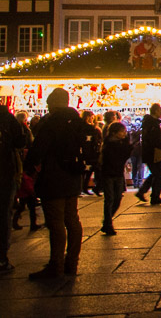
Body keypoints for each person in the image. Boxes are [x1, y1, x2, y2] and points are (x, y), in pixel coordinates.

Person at [24, 88, 87, 279]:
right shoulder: (77, 121)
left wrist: (29, 169)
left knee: (56, 222)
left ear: (52, 103)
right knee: (72, 220)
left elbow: (38, 150)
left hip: (53, 177)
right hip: (73, 176)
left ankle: (56, 264)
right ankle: (72, 261)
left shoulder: (50, 123)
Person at [0, 100, 27, 274]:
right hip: (3, 172)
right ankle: (1, 258)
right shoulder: (6, 117)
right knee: (2, 214)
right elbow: (20, 141)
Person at [98, 121, 134, 235]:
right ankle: (108, 223)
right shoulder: (108, 144)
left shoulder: (122, 143)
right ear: (115, 133)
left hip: (118, 173)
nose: (124, 133)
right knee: (109, 199)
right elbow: (111, 158)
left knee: (117, 198)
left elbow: (126, 155)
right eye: (122, 131)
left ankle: (107, 221)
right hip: (108, 173)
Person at [137, 103, 161, 205]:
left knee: (155, 174)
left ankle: (146, 192)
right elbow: (155, 140)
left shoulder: (149, 123)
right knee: (157, 174)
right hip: (154, 152)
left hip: (150, 152)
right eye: (160, 110)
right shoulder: (152, 124)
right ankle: (153, 195)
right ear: (156, 111)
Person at [79, 110, 102, 196]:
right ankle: (87, 187)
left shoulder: (91, 128)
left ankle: (88, 187)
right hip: (89, 152)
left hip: (92, 152)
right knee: (89, 171)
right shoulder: (88, 128)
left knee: (91, 171)